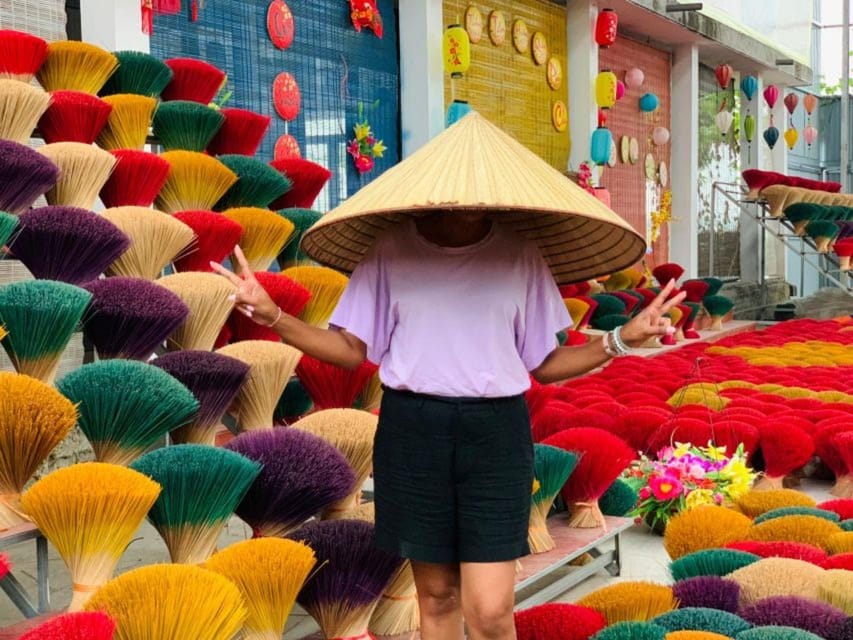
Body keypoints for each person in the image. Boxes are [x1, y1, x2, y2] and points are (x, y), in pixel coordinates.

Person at [213, 221, 684, 640]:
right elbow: (351, 350)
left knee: (490, 609)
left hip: (496, 435)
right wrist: (273, 315)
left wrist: (622, 338)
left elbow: (544, 363)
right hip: (412, 433)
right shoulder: (390, 250)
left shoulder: (519, 253)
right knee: (436, 598)